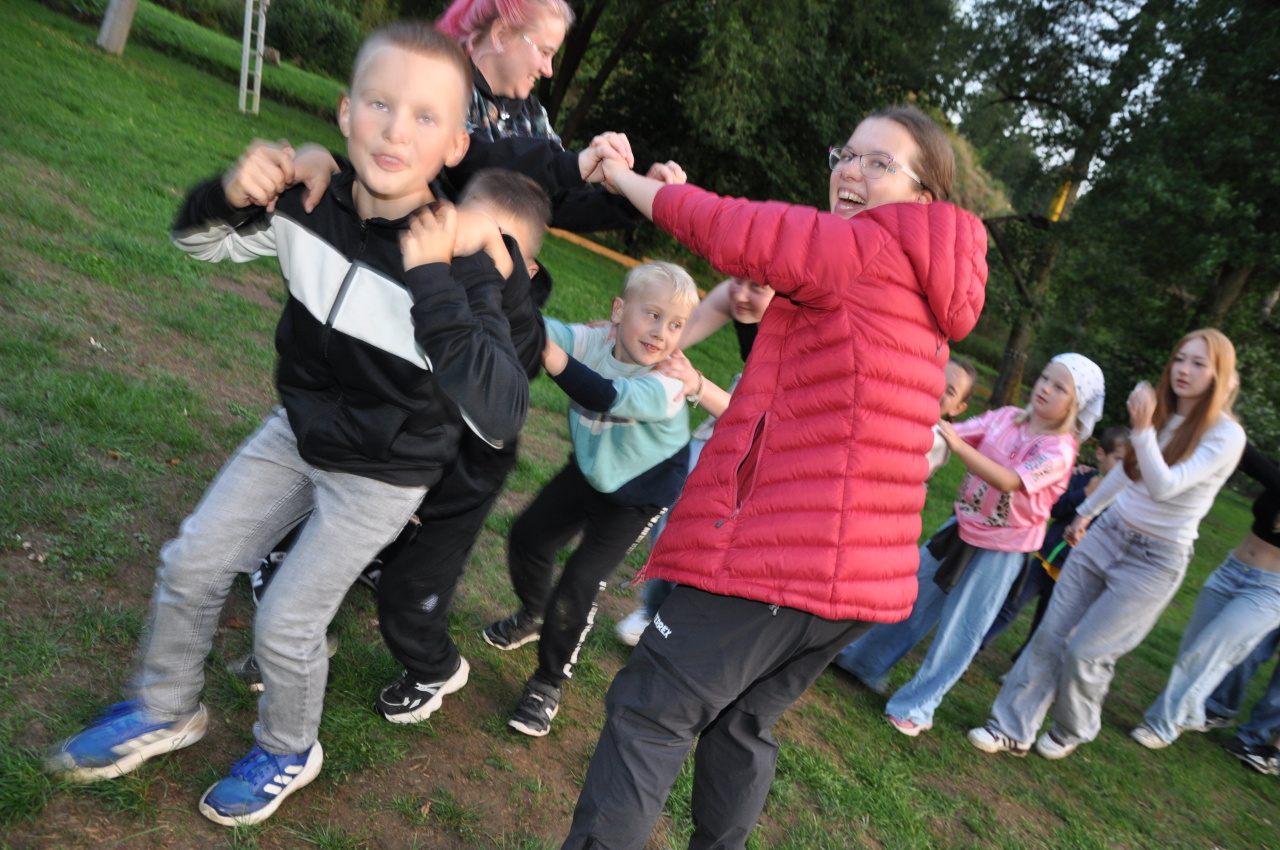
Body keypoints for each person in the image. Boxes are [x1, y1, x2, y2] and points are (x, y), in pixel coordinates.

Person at [44, 23, 528, 826]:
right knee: (191, 561)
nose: (394, 130)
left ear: (455, 144)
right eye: (379, 103)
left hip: (384, 473)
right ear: (344, 112)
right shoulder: (310, 201)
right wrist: (231, 193)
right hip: (298, 432)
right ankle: (166, 707)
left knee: (287, 621)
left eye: (424, 116)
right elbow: (197, 242)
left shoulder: (462, 256)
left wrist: (434, 283)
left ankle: (289, 747)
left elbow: (502, 412)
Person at [560, 105, 988, 849]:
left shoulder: (866, 247)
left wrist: (624, 178)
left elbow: (731, 227)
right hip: (857, 581)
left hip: (783, 561)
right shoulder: (923, 283)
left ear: (922, 196)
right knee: (740, 723)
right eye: (846, 154)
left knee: (652, 711)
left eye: (880, 163)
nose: (851, 171)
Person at [968, 329, 1246, 760]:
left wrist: (1143, 429)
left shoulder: (1226, 436)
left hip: (1155, 559)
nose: (1184, 370)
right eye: (1179, 359)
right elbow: (1128, 471)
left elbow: (1165, 486)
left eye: (1198, 364)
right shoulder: (1162, 414)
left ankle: (1073, 727)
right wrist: (1086, 512)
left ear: (1219, 374)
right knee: (1050, 634)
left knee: (1087, 652)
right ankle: (1011, 729)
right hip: (1109, 533)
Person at [833, 354, 1105, 736]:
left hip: (1003, 549)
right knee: (911, 597)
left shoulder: (1059, 450)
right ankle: (864, 663)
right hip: (962, 526)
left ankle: (917, 708)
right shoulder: (1007, 417)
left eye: (1060, 387)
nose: (1045, 388)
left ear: (1077, 406)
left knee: (961, 630)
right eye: (1045, 377)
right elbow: (951, 431)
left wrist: (959, 446)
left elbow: (1009, 480)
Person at [482, 262, 700, 737]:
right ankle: (536, 614)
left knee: (580, 581)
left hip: (639, 493)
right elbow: (540, 330)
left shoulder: (668, 382)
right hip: (590, 469)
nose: (661, 332)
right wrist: (506, 304)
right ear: (619, 310)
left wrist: (547, 352)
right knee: (528, 538)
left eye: (675, 325)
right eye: (652, 314)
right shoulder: (596, 340)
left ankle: (548, 682)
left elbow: (603, 394)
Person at [614, 276, 777, 646]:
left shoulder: (807, 333)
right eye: (739, 279)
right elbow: (671, 341)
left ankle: (676, 621)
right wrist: (624, 340)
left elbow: (758, 422)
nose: (741, 293)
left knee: (721, 529)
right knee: (680, 496)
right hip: (746, 392)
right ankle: (654, 608)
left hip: (781, 429)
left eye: (757, 288)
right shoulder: (739, 293)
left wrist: (697, 384)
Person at [436, 0, 641, 233]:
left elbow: (561, 201)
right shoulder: (445, 83)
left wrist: (640, 197)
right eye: (545, 52)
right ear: (501, 35)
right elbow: (472, 160)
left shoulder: (531, 113)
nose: (548, 70)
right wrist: (572, 165)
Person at [1131, 443, 1280, 749]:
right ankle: (1190, 710)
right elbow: (1243, 456)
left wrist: (1233, 436)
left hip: (1271, 590)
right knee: (1193, 647)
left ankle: (1162, 724)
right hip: (1232, 569)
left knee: (1208, 653)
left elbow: (1254, 461)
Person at [979, 425, 1131, 661]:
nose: (1122, 470)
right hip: (1043, 557)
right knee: (1010, 605)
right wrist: (1084, 494)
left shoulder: (1122, 501)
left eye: (1128, 465)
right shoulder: (1081, 478)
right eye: (1118, 460)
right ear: (1101, 454)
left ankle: (1021, 665)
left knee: (1044, 624)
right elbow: (1054, 509)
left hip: (1071, 573)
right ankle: (975, 646)